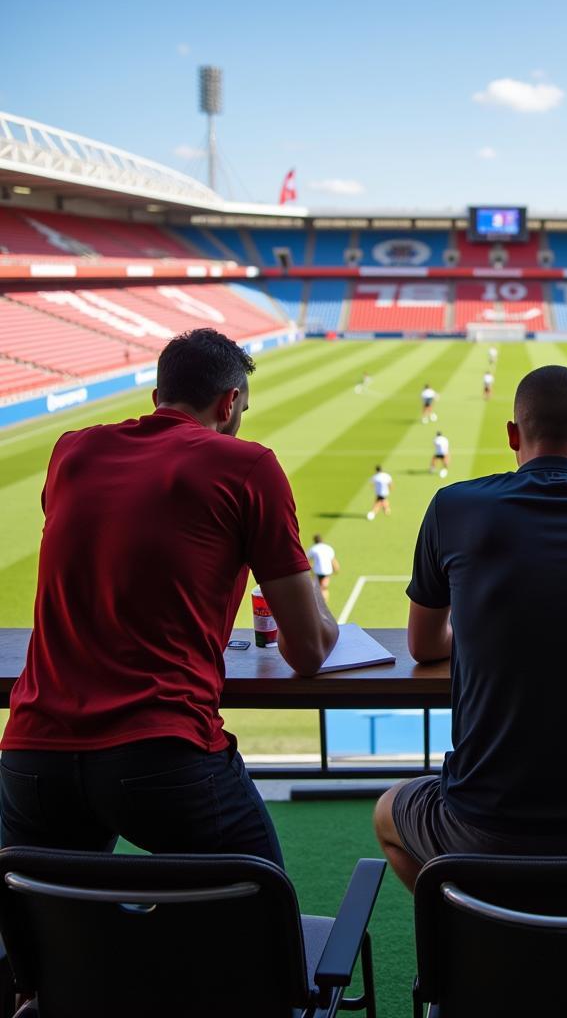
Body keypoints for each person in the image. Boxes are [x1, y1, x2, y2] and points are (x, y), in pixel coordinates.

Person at [0, 328, 339, 864]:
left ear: (157, 397)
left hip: (32, 753)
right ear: (229, 404)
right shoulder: (247, 466)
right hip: (162, 752)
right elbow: (311, 650)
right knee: (258, 918)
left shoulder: (71, 451)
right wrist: (297, 576)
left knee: (52, 937)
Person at [374, 364, 567, 891]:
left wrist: (477, 634)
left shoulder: (453, 506)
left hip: (479, 824)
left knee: (386, 814)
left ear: (513, 435)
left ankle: (471, 938)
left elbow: (423, 646)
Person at [307, 533, 340, 603]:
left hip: (317, 571)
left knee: (317, 588)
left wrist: (310, 570)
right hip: (327, 571)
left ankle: (318, 603)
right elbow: (333, 560)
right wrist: (336, 568)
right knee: (324, 588)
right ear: (322, 540)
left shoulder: (313, 548)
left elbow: (307, 560)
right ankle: (324, 603)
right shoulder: (328, 548)